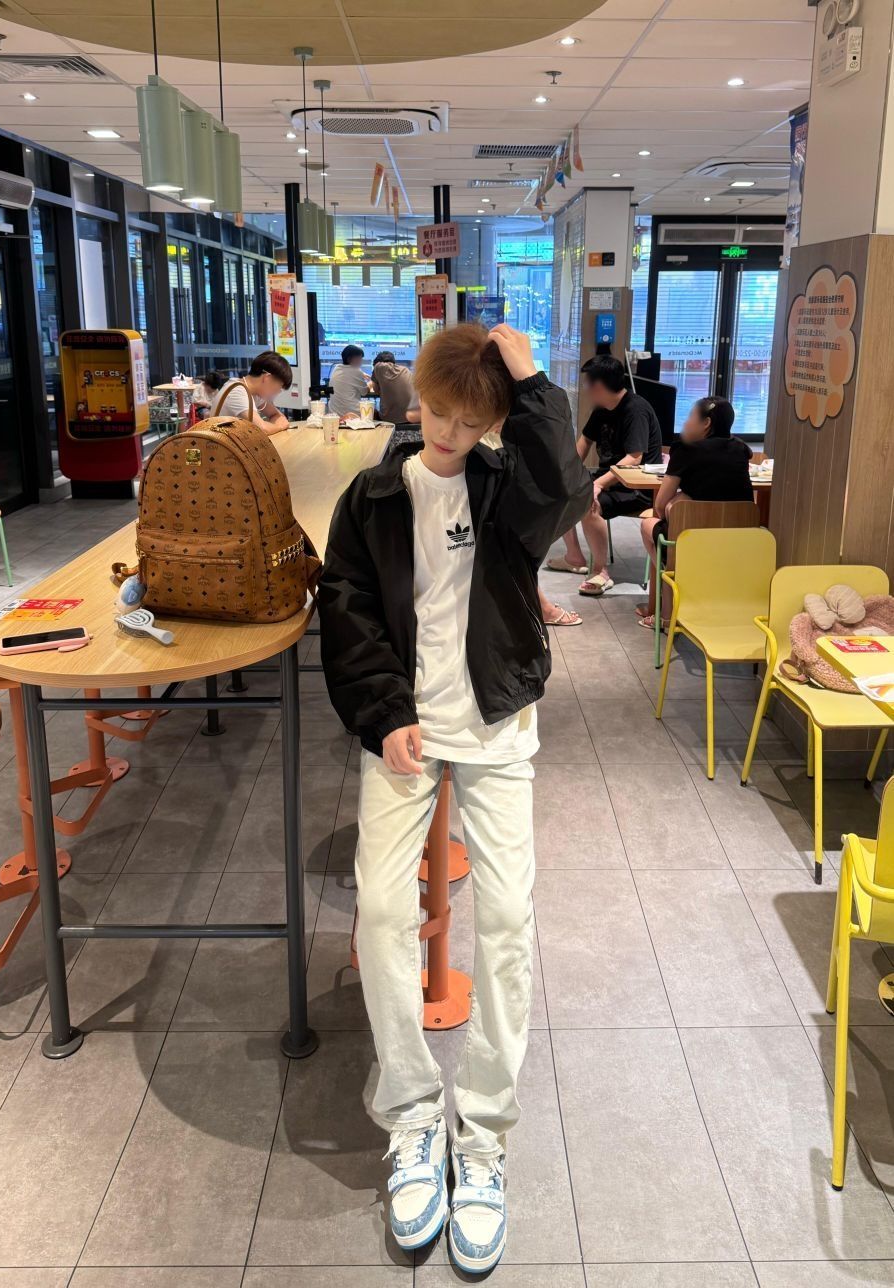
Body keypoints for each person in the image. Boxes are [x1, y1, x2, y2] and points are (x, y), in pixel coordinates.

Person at [318, 323, 590, 1274]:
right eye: (437, 412)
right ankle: (411, 1118)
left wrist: (533, 381)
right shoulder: (373, 495)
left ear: (493, 422)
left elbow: (566, 488)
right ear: (417, 400)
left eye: (469, 422)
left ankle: (483, 1135)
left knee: (508, 919)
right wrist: (383, 710)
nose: (446, 432)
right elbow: (346, 605)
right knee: (386, 910)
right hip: (405, 730)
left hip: (498, 722)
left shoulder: (508, 488)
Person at [547, 354, 662, 596]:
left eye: (587, 383)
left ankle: (600, 571)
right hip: (610, 479)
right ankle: (574, 556)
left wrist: (598, 484)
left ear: (598, 385)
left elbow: (634, 458)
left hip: (637, 486)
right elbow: (584, 443)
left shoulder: (636, 410)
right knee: (561, 490)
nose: (585, 388)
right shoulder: (602, 410)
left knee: (589, 500)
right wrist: (565, 472)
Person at [638, 395, 752, 626]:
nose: (686, 422)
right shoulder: (741, 449)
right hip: (738, 545)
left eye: (691, 416)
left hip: (693, 544)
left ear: (706, 423)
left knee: (647, 525)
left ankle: (669, 610)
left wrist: (677, 501)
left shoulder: (685, 449)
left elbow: (660, 504)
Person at [212, 351, 291, 434]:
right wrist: (279, 427)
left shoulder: (256, 392)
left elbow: (278, 416)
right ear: (267, 378)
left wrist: (274, 426)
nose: (277, 392)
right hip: (219, 441)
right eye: (278, 387)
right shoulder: (237, 391)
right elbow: (261, 429)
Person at [371, 350, 416, 425]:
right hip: (410, 417)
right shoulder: (405, 369)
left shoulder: (378, 367)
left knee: (373, 412)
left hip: (389, 419)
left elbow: (376, 390)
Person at [328, 343, 371, 417]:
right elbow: (364, 392)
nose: (361, 361)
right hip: (352, 414)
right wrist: (372, 382)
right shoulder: (357, 371)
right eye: (359, 358)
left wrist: (362, 374)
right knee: (374, 412)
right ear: (349, 359)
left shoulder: (336, 368)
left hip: (335, 413)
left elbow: (348, 373)